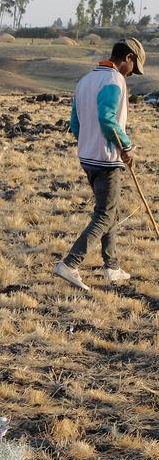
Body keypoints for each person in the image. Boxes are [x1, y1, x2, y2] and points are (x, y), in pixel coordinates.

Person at [54, 38, 147, 292]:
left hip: (87, 157)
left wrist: (89, 143)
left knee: (110, 211)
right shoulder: (114, 80)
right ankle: (70, 263)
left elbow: (75, 124)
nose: (132, 73)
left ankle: (112, 266)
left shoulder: (85, 81)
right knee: (105, 214)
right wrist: (126, 147)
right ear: (127, 58)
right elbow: (108, 120)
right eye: (133, 67)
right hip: (106, 160)